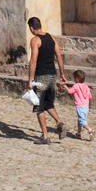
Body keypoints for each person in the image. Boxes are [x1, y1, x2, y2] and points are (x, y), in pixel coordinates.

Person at [27, 16, 67, 144]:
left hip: (40, 77)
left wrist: (30, 80)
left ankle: (45, 136)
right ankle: (59, 123)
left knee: (39, 107)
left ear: (32, 28)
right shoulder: (51, 38)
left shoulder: (35, 40)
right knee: (49, 104)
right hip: (52, 76)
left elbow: (33, 61)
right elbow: (59, 55)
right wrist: (62, 74)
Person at [62, 69, 95, 140]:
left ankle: (90, 130)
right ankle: (78, 134)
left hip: (80, 106)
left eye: (74, 78)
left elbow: (70, 91)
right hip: (86, 106)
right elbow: (90, 96)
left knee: (82, 121)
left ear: (77, 78)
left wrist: (64, 86)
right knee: (80, 120)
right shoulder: (86, 86)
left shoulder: (76, 86)